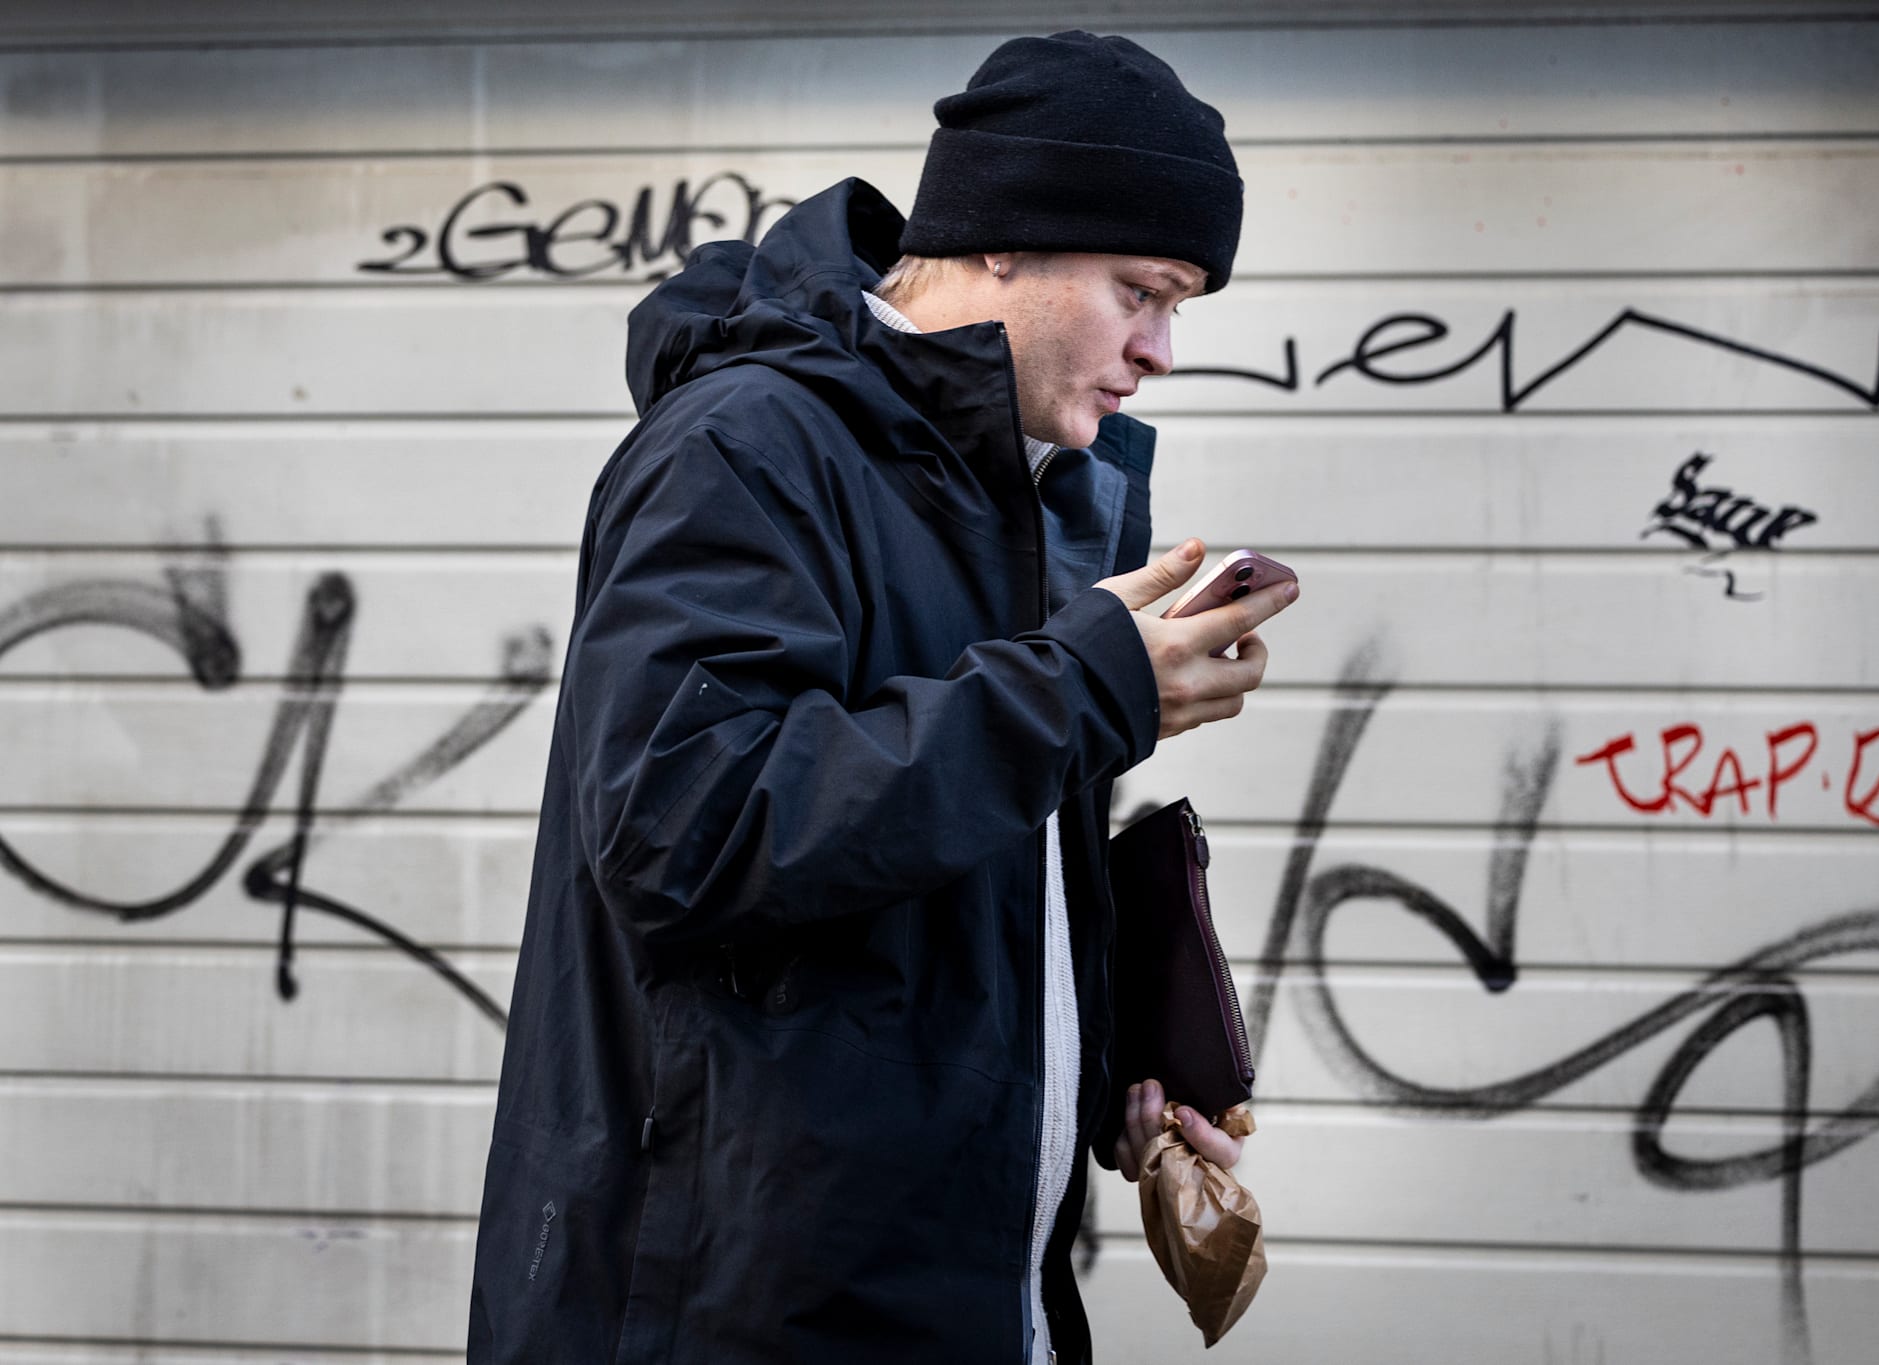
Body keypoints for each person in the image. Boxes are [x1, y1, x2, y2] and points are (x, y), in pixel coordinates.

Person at [467, 30, 1295, 1365]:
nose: (1162, 349)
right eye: (1141, 290)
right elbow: (687, 829)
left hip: (967, 1297)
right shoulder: (744, 446)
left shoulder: (1031, 491)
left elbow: (946, 855)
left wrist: (1108, 1068)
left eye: (1182, 302)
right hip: (742, 1310)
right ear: (1003, 240)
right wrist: (1078, 689)